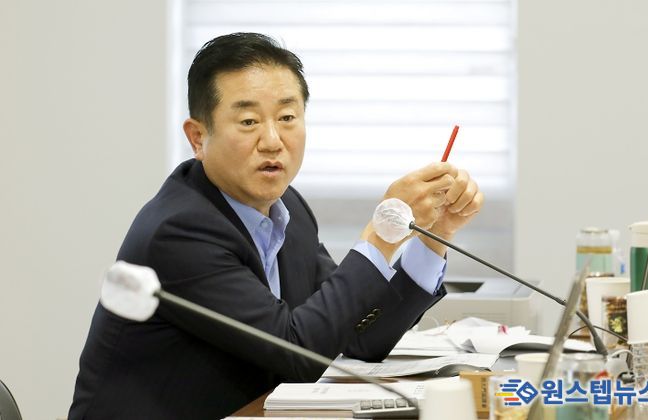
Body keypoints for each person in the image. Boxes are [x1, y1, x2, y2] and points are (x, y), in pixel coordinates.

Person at [68, 32, 483, 419]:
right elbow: (298, 352)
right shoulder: (179, 231)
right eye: (249, 122)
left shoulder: (288, 208)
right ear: (197, 137)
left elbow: (356, 336)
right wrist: (381, 232)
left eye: (287, 117)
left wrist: (435, 236)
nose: (272, 140)